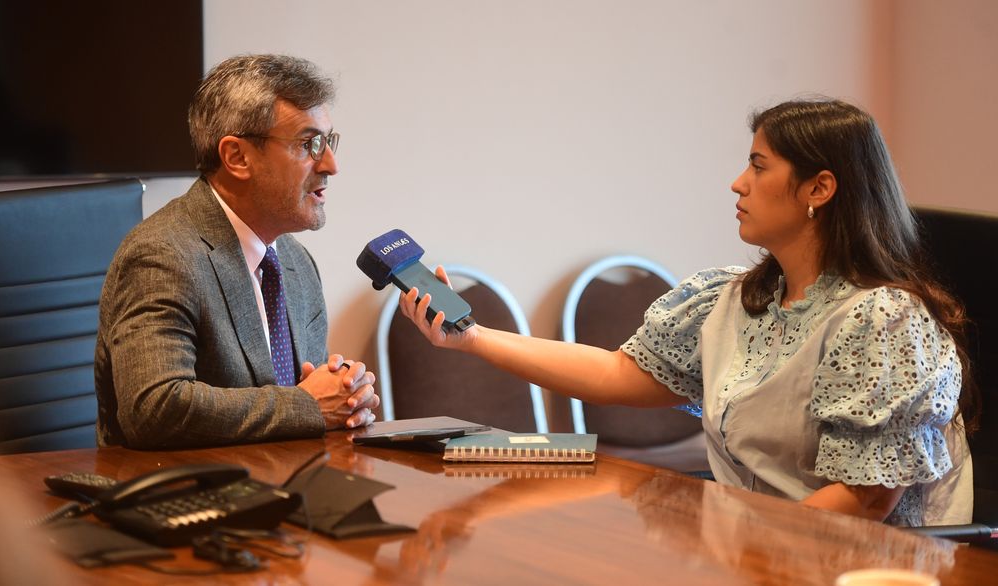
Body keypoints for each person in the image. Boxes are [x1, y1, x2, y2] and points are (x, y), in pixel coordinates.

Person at [399, 98, 977, 526]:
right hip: (754, 554)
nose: (737, 183)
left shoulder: (885, 321)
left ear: (818, 189)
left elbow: (865, 500)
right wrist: (471, 338)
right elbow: (616, 374)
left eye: (759, 165)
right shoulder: (733, 299)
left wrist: (731, 543)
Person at [95, 54, 379, 449]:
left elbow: (310, 396)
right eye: (308, 144)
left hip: (288, 486)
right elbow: (154, 408)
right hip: (189, 496)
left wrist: (344, 392)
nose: (331, 164)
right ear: (237, 157)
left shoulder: (296, 263)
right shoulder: (162, 255)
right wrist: (307, 405)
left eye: (328, 141)